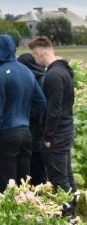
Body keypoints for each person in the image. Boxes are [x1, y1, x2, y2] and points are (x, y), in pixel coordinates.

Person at [0, 35, 46, 191]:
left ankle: (5, 215)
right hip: (25, 133)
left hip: (6, 135)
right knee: (23, 184)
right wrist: (24, 114)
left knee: (6, 186)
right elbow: (41, 103)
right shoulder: (26, 71)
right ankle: (25, 213)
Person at [28, 36, 77, 213]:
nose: (34, 60)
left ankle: (67, 216)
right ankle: (73, 210)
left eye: (34, 55)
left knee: (59, 178)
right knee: (67, 174)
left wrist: (48, 136)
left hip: (57, 134)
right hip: (66, 129)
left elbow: (54, 110)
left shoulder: (53, 75)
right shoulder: (63, 71)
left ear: (39, 52)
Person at [17, 52, 47, 185]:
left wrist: (22, 113)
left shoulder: (36, 79)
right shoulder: (41, 76)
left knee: (35, 167)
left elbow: (41, 106)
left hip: (35, 131)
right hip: (37, 131)